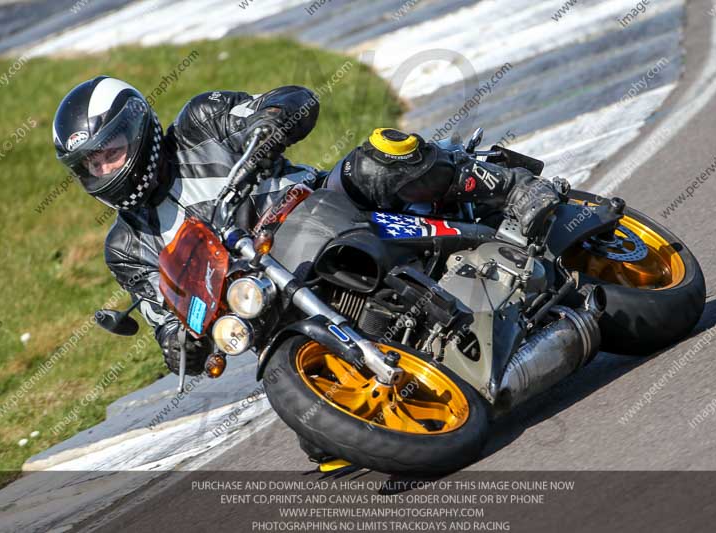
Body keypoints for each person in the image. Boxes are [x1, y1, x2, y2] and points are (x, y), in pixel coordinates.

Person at [53, 76, 560, 378]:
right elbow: (165, 317)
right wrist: (178, 345)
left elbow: (295, 100)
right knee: (322, 447)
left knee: (376, 158)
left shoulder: (199, 123)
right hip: (274, 309)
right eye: (90, 164)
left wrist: (268, 124)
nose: (103, 169)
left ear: (137, 129)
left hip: (328, 211)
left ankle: (512, 187)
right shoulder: (126, 247)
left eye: (109, 152)